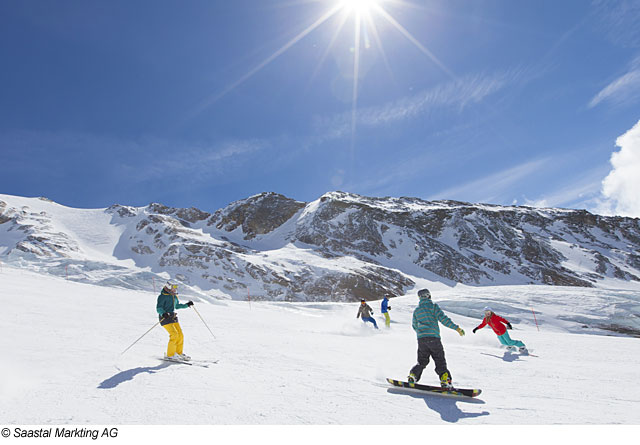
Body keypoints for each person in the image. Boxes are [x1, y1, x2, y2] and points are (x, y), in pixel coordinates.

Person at [408, 289, 465, 389]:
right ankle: (445, 380)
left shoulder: (417, 310)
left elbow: (414, 325)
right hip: (434, 338)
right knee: (440, 361)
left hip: (421, 339)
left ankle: (413, 376)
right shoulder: (433, 307)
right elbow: (444, 319)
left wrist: (421, 333)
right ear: (428, 296)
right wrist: (457, 328)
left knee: (422, 361)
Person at [156, 280, 194, 361]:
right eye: (174, 287)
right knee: (174, 334)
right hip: (165, 318)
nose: (175, 289)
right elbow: (159, 308)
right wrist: (163, 314)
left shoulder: (174, 296)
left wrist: (187, 305)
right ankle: (170, 355)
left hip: (173, 317)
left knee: (180, 335)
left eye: (176, 287)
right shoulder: (162, 296)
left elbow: (176, 306)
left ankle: (178, 353)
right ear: (169, 286)